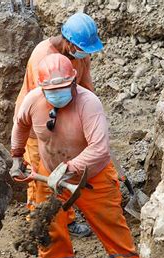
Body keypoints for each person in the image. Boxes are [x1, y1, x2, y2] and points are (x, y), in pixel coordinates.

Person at [10, 53, 149, 258]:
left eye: (62, 89)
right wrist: (17, 157)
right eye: (51, 90)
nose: (57, 94)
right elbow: (20, 125)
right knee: (49, 229)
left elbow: (99, 149)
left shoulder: (89, 103)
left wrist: (69, 168)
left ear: (74, 83)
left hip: (92, 175)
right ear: (42, 87)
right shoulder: (33, 100)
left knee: (111, 224)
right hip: (49, 176)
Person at [14, 12, 104, 238]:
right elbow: (46, 100)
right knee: (41, 178)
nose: (84, 54)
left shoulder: (80, 53)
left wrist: (93, 118)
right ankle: (37, 225)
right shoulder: (43, 58)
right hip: (40, 127)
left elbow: (86, 86)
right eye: (81, 48)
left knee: (63, 170)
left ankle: (67, 218)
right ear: (68, 42)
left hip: (67, 121)